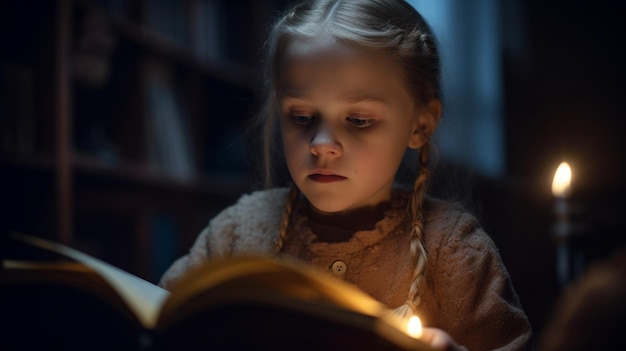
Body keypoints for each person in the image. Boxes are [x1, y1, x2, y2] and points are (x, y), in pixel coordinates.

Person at [160, 0, 531, 350]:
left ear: (420, 124)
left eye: (358, 120)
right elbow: (161, 319)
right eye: (301, 117)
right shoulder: (235, 234)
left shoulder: (453, 251)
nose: (321, 144)